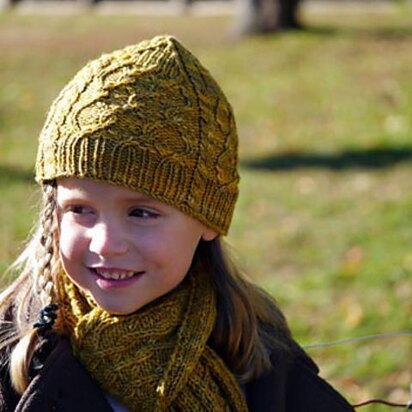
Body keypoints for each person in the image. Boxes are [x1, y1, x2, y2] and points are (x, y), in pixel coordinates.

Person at [0, 35, 354, 411]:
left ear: (207, 218)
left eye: (140, 213)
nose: (106, 243)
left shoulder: (258, 354)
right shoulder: (16, 355)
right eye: (80, 210)